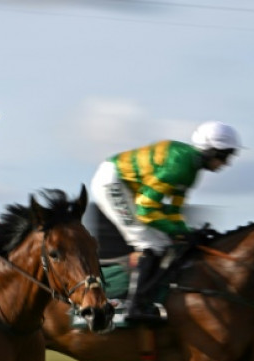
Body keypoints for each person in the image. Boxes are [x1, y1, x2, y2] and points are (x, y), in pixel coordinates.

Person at [89, 121, 242, 324]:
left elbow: (173, 212)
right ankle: (135, 306)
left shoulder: (191, 169)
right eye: (224, 155)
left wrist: (186, 231)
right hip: (111, 182)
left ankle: (146, 299)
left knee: (165, 243)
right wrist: (179, 231)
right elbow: (146, 209)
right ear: (210, 151)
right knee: (151, 243)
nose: (226, 163)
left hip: (125, 184)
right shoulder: (180, 166)